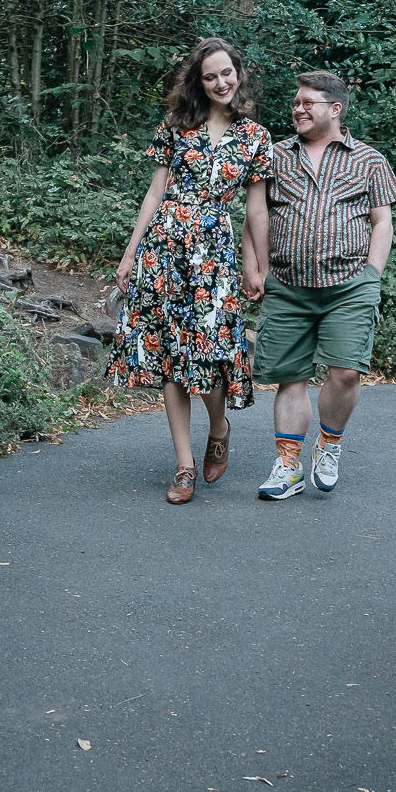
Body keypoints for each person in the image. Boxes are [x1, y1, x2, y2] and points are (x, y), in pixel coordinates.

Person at [110, 38, 274, 504]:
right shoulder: (177, 126)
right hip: (164, 249)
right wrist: (130, 253)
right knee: (170, 359)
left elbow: (256, 211)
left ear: (237, 75)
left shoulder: (256, 138)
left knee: (208, 355)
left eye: (227, 73)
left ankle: (218, 427)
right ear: (198, 83)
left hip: (214, 255)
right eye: (210, 76)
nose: (221, 82)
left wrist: (256, 266)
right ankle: (184, 468)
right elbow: (154, 192)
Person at [242, 70, 396, 500]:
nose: (298, 108)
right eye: (296, 102)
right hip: (289, 285)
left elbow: (382, 221)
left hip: (350, 284)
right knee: (291, 377)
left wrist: (373, 273)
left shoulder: (369, 160)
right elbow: (256, 216)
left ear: (335, 109)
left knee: (347, 371)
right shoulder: (274, 156)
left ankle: (329, 445)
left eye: (308, 102)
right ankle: (288, 465)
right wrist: (253, 267)